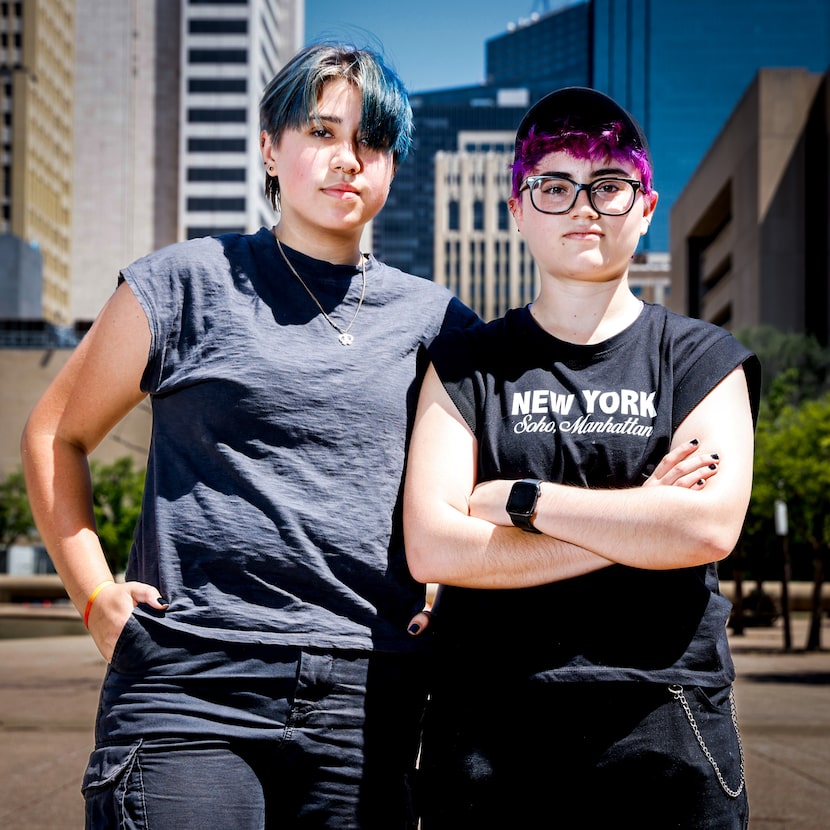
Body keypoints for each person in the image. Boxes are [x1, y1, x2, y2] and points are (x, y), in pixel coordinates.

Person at [20, 42, 476, 830]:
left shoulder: (438, 320)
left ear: (394, 164)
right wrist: (95, 596)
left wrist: (455, 596)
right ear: (271, 147)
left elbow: (482, 485)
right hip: (189, 685)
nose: (347, 160)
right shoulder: (185, 281)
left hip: (370, 697)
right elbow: (55, 432)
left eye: (371, 141)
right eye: (322, 133)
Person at [402, 87, 760, 829]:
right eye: (555, 186)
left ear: (646, 207)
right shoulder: (467, 362)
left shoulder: (702, 359)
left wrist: (522, 501)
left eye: (609, 185)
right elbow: (433, 545)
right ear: (518, 209)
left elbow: (703, 531)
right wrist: (639, 522)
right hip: (488, 725)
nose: (583, 206)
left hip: (664, 718)